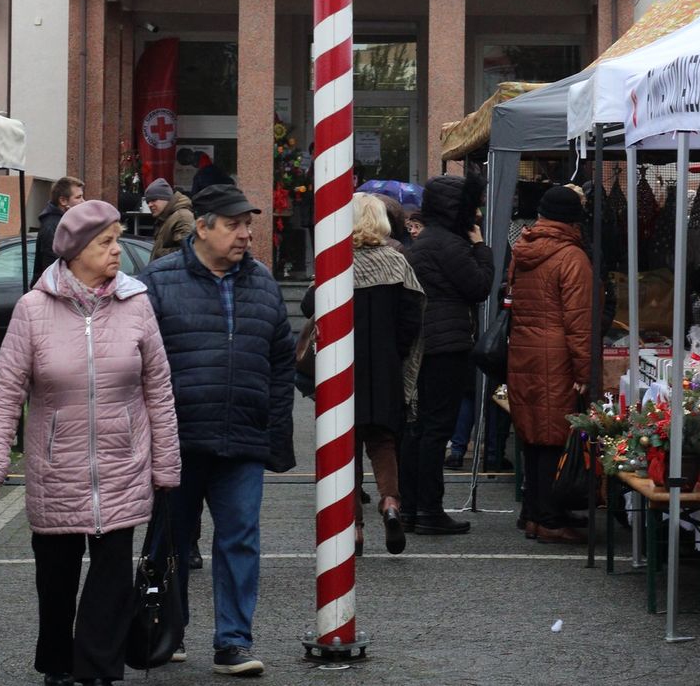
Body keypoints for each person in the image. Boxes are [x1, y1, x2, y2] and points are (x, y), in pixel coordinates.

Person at [0, 199, 180, 686]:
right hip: (56, 467)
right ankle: (56, 662)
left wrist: (166, 464)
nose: (116, 251)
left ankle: (97, 667)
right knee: (56, 579)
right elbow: (6, 388)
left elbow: (159, 388)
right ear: (73, 251)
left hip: (122, 463)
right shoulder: (33, 309)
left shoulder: (136, 303)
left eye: (116, 240)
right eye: (105, 242)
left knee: (111, 578)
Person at [145, 181, 295, 678]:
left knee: (240, 540)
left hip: (241, 440)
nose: (246, 235)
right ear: (202, 227)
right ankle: (169, 631)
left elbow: (280, 365)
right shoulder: (159, 281)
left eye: (248, 225)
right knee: (169, 539)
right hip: (178, 439)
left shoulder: (263, 283)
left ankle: (233, 641)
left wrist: (274, 435)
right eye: (233, 225)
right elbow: (137, 364)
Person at [302, 193, 424, 556]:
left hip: (343, 368)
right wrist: (396, 352)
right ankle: (390, 502)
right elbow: (413, 315)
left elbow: (310, 307)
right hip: (384, 367)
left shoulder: (336, 264)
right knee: (384, 441)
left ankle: (353, 526)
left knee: (346, 448)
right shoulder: (397, 262)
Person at [399, 172, 493, 535]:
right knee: (437, 427)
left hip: (424, 342)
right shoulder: (449, 244)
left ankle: (411, 507)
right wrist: (481, 247)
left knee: (419, 428)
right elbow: (479, 286)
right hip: (447, 344)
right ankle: (429, 510)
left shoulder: (423, 242)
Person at [506, 184, 593, 543]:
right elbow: (579, 321)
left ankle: (532, 512)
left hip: (523, 350)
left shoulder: (523, 248)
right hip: (555, 356)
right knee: (554, 436)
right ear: (574, 220)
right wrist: (585, 371)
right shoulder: (572, 257)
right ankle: (549, 519)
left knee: (532, 435)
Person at [32, 175, 85, 284]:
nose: (83, 201)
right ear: (63, 201)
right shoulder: (53, 226)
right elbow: (53, 267)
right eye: (78, 197)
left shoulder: (64, 222)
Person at [144, 178, 195, 261]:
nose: (150, 205)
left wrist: (160, 253)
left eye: (154, 200)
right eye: (148, 202)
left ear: (166, 198)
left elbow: (189, 251)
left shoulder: (182, 217)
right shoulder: (166, 218)